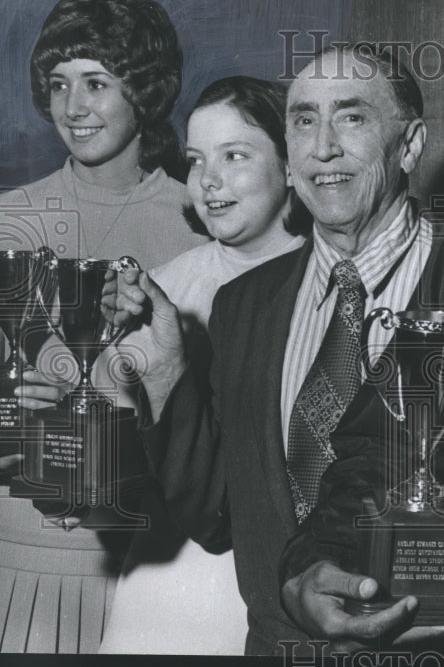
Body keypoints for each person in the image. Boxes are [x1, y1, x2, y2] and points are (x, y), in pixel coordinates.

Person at [111, 45, 444, 655]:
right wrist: (166, 373)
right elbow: (219, 516)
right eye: (304, 121)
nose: (323, 147)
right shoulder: (245, 306)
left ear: (410, 145)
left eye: (352, 118)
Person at [0, 0, 206, 654]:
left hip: (152, 560)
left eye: (96, 82)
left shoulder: (202, 224)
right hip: (16, 552)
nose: (72, 107)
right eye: (58, 84)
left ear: (143, 90)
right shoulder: (9, 218)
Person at [97, 76, 309, 655]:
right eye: (195, 161)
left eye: (235, 156)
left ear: (291, 165)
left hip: (270, 587)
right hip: (163, 587)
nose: (208, 180)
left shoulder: (326, 289)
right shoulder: (163, 287)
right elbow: (114, 460)